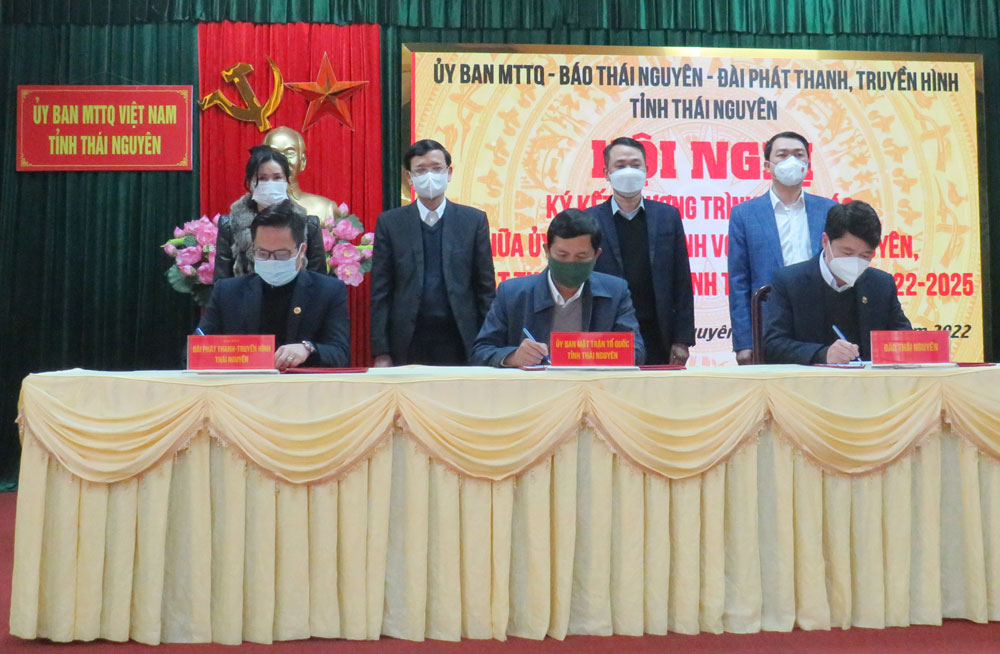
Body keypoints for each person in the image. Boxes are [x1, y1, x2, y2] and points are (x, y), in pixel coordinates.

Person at [370, 139, 496, 366]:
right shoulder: (391, 223)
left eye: (437, 168)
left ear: (449, 173)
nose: (429, 176)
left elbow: (485, 288)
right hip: (407, 341)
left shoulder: (473, 221)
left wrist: (490, 346)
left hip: (461, 339)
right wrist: (381, 351)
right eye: (421, 170)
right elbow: (381, 291)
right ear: (409, 177)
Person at [471, 209, 644, 367]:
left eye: (581, 256)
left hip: (593, 387)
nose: (571, 263)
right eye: (562, 255)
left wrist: (596, 352)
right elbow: (481, 351)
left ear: (596, 255)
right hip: (534, 388)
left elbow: (637, 351)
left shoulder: (616, 292)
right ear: (547, 251)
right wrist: (513, 357)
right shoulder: (512, 293)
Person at [199, 200, 351, 370]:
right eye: (262, 253)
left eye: (281, 254)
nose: (272, 260)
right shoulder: (227, 292)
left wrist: (308, 349)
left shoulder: (328, 291)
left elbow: (341, 354)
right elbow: (196, 351)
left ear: (301, 251)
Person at [728, 131, 838, 364]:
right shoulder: (744, 214)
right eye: (783, 155)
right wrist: (744, 343)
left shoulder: (829, 210)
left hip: (822, 323)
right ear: (767, 166)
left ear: (808, 164)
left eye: (799, 155)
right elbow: (739, 282)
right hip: (770, 325)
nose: (792, 161)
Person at [588, 136, 694, 365]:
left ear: (647, 170)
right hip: (606, 333)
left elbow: (682, 280)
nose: (628, 171)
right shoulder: (589, 220)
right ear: (606, 173)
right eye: (620, 166)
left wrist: (682, 339)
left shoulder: (668, 216)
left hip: (659, 332)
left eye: (635, 165)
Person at [764, 200, 910, 365]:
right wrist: (822, 354)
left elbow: (905, 340)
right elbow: (772, 346)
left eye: (865, 256)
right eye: (847, 252)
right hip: (811, 379)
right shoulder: (789, 282)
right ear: (825, 241)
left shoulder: (881, 285)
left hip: (868, 380)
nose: (855, 262)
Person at [213, 145, 326, 280]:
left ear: (287, 181)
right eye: (262, 178)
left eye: (277, 177)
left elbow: (319, 280)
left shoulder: (309, 225)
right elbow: (221, 282)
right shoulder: (229, 225)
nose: (270, 184)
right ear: (250, 182)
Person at [263, 126, 338, 221]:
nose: (282, 160)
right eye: (274, 153)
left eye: (290, 153)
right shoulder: (249, 210)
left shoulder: (325, 209)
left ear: (302, 162)